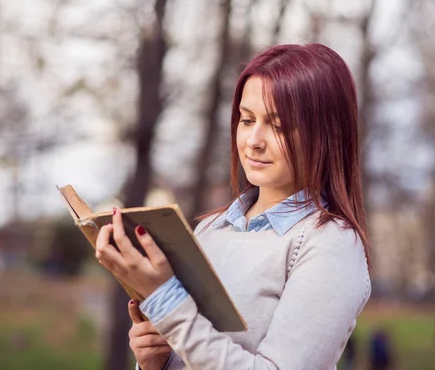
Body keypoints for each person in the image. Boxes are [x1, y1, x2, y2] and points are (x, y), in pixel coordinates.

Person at [95, 43, 372, 369]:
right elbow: (193, 347)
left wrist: (166, 301)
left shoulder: (329, 243)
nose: (253, 140)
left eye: (278, 125)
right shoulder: (211, 229)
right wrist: (158, 362)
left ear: (325, 133)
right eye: (246, 119)